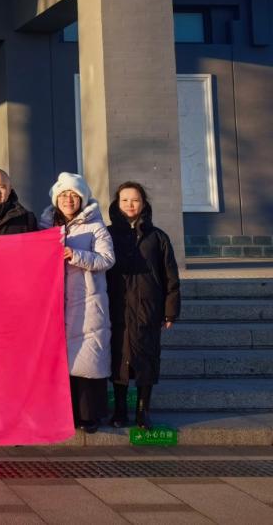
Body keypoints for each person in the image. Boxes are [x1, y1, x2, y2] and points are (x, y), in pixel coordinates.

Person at [39, 172, 115, 434]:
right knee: (58, 363)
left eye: (74, 195)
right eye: (63, 195)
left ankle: (89, 416)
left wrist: (76, 255)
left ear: (82, 199)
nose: (68, 200)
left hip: (87, 303)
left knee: (87, 360)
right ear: (56, 199)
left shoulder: (96, 226)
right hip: (54, 302)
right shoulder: (44, 226)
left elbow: (107, 259)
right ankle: (62, 414)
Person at [107, 181, 181, 430]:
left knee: (146, 358)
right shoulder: (107, 234)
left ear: (144, 203)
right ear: (117, 203)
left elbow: (170, 276)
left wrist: (170, 311)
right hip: (116, 307)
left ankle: (142, 411)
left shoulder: (157, 237)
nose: (130, 204)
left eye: (135, 200)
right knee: (118, 358)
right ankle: (119, 410)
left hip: (148, 309)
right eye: (125, 200)